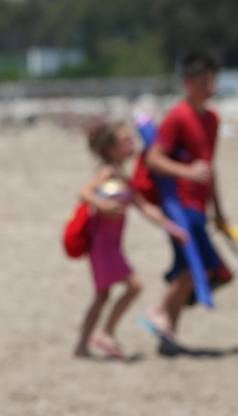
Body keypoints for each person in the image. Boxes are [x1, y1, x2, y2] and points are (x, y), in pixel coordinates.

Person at [140, 50, 231, 346]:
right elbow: (154, 159)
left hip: (199, 205)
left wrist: (218, 209)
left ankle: (168, 333)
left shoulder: (213, 120)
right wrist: (187, 172)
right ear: (188, 83)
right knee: (198, 267)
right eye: (205, 82)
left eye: (213, 81)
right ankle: (159, 311)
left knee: (190, 270)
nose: (211, 88)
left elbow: (209, 167)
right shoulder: (177, 117)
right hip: (177, 204)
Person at [75, 120, 187, 360]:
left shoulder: (123, 177)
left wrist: (171, 227)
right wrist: (104, 205)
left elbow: (145, 207)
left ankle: (83, 346)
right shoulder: (107, 172)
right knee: (134, 286)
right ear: (110, 148)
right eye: (125, 141)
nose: (131, 143)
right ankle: (105, 333)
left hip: (113, 244)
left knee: (102, 295)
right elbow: (84, 192)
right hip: (102, 244)